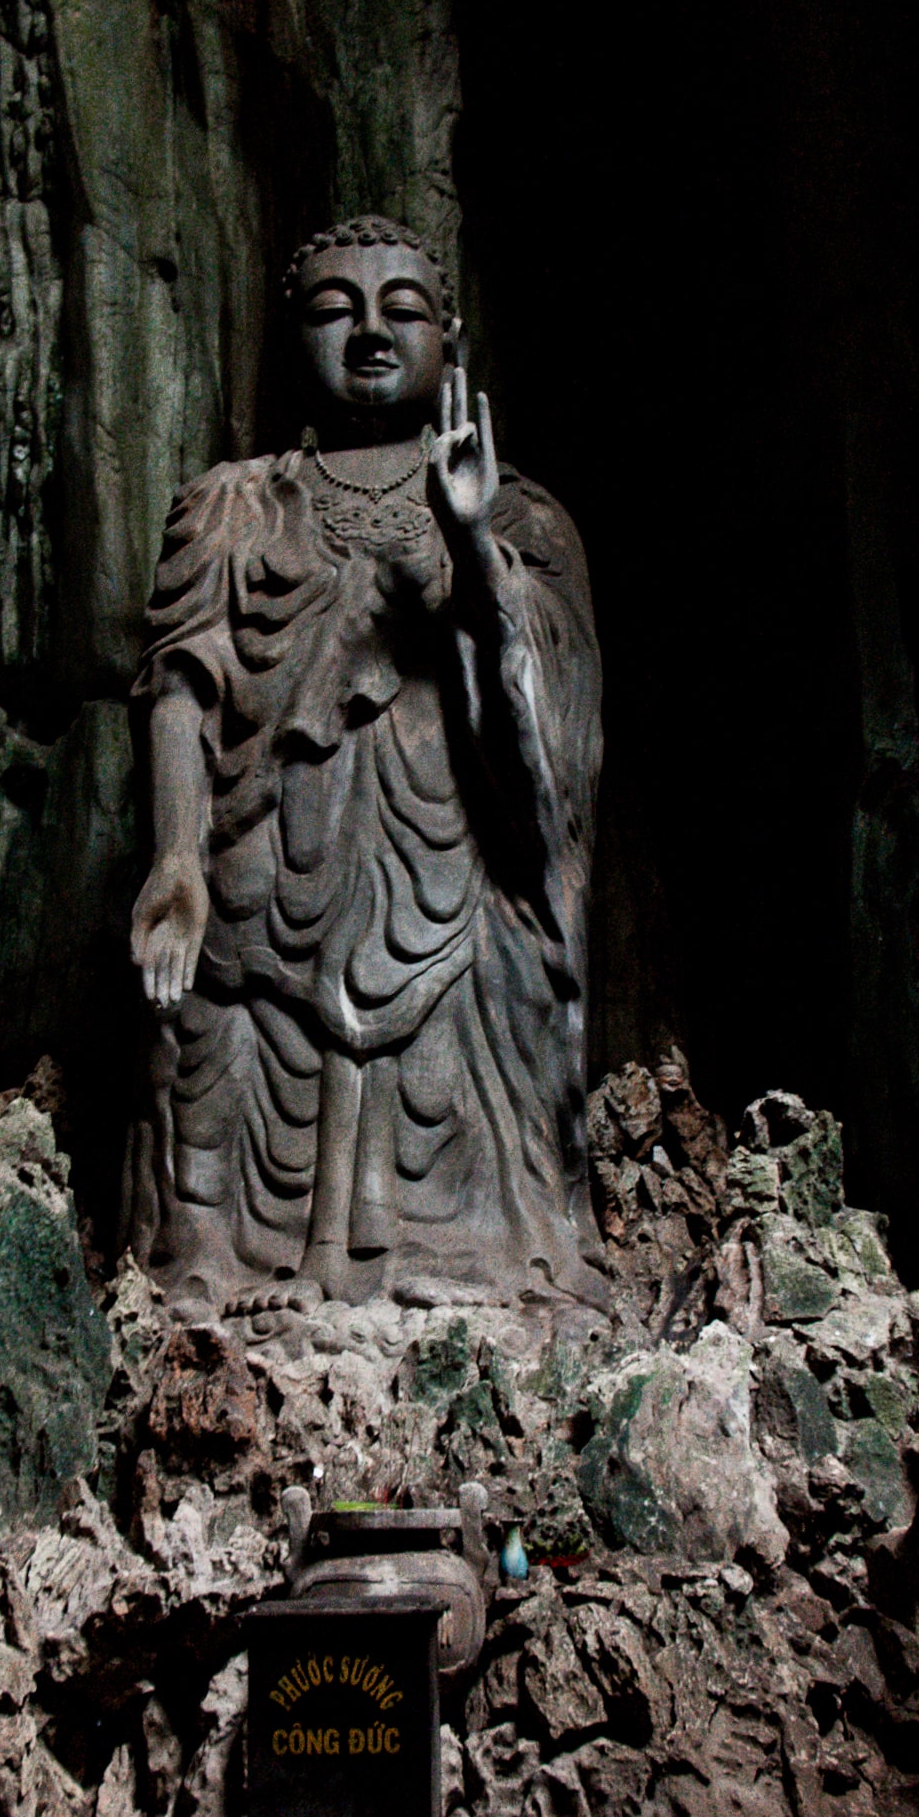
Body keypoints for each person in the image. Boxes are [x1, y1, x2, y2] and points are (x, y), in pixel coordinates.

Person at [130, 216, 606, 1319]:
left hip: (453, 883)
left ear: (452, 342)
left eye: (404, 312)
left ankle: (465, 1276)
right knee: (206, 1030)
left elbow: (550, 739)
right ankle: (231, 1279)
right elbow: (182, 685)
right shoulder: (233, 501)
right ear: (288, 338)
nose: (372, 334)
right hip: (260, 873)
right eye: (334, 309)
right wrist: (174, 860)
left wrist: (474, 541)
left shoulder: (521, 511)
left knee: (484, 1012)